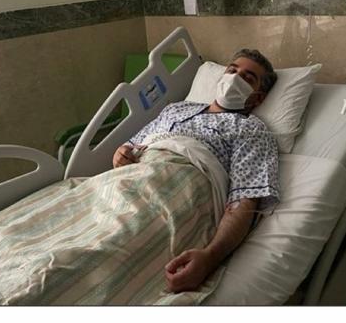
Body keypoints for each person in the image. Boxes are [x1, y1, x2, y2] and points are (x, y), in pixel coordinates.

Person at [112, 48, 279, 294]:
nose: (234, 78)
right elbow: (130, 147)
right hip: (127, 181)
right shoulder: (176, 109)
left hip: (177, 188)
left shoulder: (251, 129)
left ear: (258, 98)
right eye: (232, 70)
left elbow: (244, 199)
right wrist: (120, 154)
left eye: (247, 78)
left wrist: (210, 257)